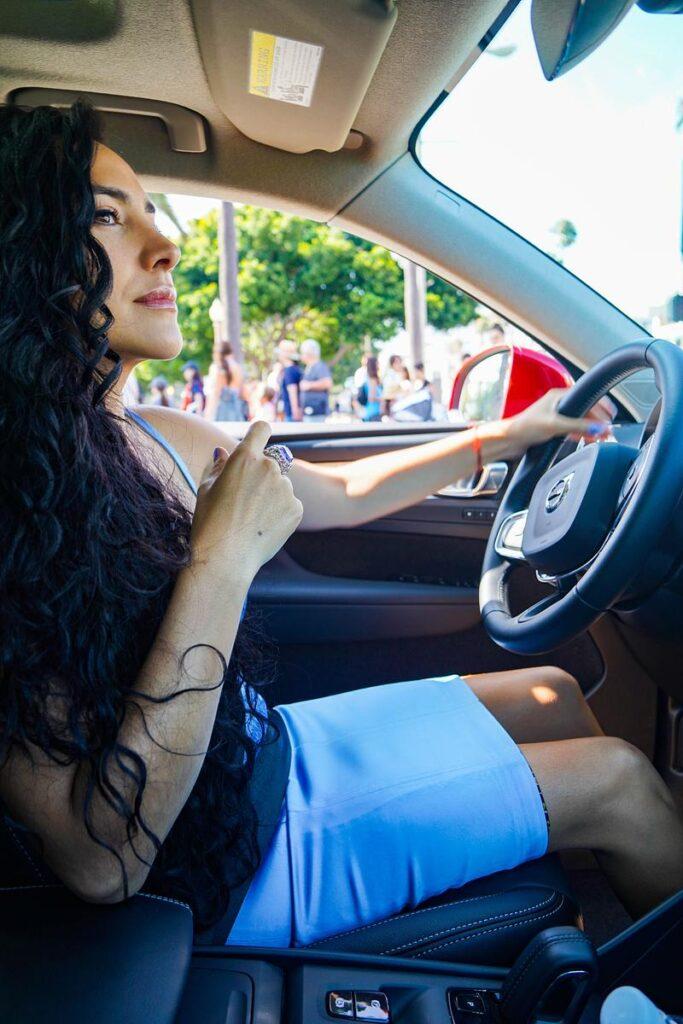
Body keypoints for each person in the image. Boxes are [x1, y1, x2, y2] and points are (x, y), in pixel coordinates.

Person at [1, 103, 681, 954]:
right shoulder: (20, 504)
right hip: (224, 863)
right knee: (620, 782)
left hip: (263, 752)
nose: (164, 242)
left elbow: (342, 493)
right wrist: (220, 563)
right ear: (24, 255)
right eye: (106, 217)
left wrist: (500, 436)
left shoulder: (152, 435)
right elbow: (102, 860)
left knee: (549, 691)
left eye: (150, 210)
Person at [204, 342, 246, 423]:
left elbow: (215, 393)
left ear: (217, 353)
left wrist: (208, 412)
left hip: (222, 410)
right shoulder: (237, 367)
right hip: (236, 408)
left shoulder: (219, 368)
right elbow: (242, 391)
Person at [299, 338, 332, 422]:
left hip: (317, 412)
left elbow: (328, 383)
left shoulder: (319, 366)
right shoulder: (309, 367)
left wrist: (309, 385)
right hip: (309, 412)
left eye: (302, 353)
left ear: (309, 353)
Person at [276, 339, 303, 423]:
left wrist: (295, 411)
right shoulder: (294, 369)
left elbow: (292, 391)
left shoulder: (289, 370)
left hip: (291, 414)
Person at [355, 356, 382, 422]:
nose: (379, 366)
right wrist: (384, 399)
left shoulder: (369, 378)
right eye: (377, 363)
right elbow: (371, 398)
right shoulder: (372, 380)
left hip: (371, 413)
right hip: (374, 413)